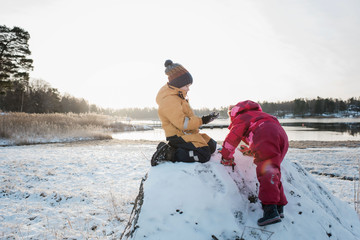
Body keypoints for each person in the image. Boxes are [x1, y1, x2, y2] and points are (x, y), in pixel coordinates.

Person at [220, 100, 288, 226]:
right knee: (273, 170)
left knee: (266, 171)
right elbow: (264, 134)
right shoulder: (258, 115)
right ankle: (279, 207)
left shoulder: (241, 118)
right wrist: (253, 150)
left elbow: (232, 139)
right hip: (282, 136)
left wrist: (226, 157)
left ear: (232, 113)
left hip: (266, 134)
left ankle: (270, 211)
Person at [151, 59, 219, 167]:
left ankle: (178, 149)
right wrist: (202, 120)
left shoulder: (179, 96)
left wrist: (205, 119)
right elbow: (183, 124)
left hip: (186, 133)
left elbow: (187, 118)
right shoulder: (170, 99)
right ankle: (169, 153)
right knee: (204, 155)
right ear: (178, 83)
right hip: (177, 135)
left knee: (212, 146)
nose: (188, 89)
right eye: (187, 86)